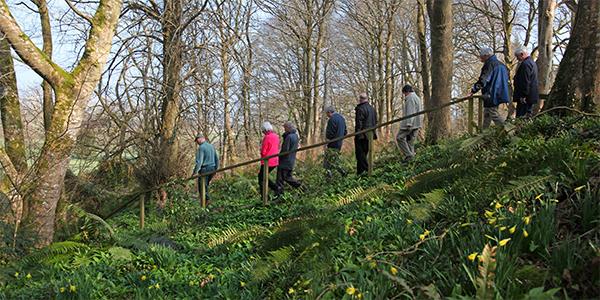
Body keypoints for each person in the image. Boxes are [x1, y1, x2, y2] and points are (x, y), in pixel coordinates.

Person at [468, 47, 510, 128]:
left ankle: (507, 130)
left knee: (493, 113)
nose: (480, 58)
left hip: (492, 93)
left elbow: (483, 80)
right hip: (500, 92)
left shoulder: (489, 65)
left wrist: (473, 90)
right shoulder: (501, 65)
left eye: (481, 56)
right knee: (487, 114)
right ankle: (484, 132)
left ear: (486, 56)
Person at [396, 85, 423, 161]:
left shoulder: (410, 98)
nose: (404, 96)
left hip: (411, 123)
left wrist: (408, 124)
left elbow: (410, 112)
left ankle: (409, 155)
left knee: (399, 138)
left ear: (406, 92)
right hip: (417, 123)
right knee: (410, 141)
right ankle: (411, 160)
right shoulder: (417, 98)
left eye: (404, 94)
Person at [192, 134, 219, 204]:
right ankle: (206, 202)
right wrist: (216, 169)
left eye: (197, 140)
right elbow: (217, 159)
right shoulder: (211, 146)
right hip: (212, 168)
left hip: (205, 169)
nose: (197, 143)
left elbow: (199, 162)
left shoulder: (201, 148)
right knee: (206, 185)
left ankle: (205, 203)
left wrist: (194, 173)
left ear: (200, 139)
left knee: (202, 187)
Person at [276, 121, 302, 195]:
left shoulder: (289, 137)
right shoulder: (295, 136)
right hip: (291, 161)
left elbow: (285, 150)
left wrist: (279, 156)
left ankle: (279, 194)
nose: (284, 129)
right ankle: (300, 186)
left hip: (285, 162)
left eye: (285, 128)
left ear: (288, 128)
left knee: (280, 179)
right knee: (288, 177)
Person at [354, 92, 377, 175]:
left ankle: (365, 170)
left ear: (360, 99)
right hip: (370, 135)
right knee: (365, 153)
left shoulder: (360, 109)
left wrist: (358, 135)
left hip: (362, 135)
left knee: (360, 155)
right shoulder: (372, 109)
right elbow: (375, 122)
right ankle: (361, 172)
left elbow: (359, 123)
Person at [513, 47, 539, 118]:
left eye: (517, 56)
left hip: (525, 98)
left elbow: (525, 81)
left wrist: (523, 95)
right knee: (527, 116)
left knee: (521, 117)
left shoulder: (525, 64)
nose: (517, 59)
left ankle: (520, 129)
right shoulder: (531, 63)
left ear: (521, 54)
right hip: (530, 96)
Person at [324, 105, 348, 178]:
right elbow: (345, 132)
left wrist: (328, 138)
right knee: (335, 159)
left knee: (327, 161)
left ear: (329, 112)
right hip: (339, 142)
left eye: (327, 113)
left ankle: (329, 176)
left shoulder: (332, 119)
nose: (327, 115)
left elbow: (329, 133)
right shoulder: (342, 118)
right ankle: (342, 171)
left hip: (332, 143)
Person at [258, 121, 279, 197]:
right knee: (263, 176)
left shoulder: (267, 137)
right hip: (275, 160)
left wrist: (261, 153)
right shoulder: (276, 136)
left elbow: (263, 151)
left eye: (263, 130)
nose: (263, 132)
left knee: (261, 178)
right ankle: (272, 190)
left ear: (265, 130)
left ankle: (265, 196)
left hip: (267, 161)